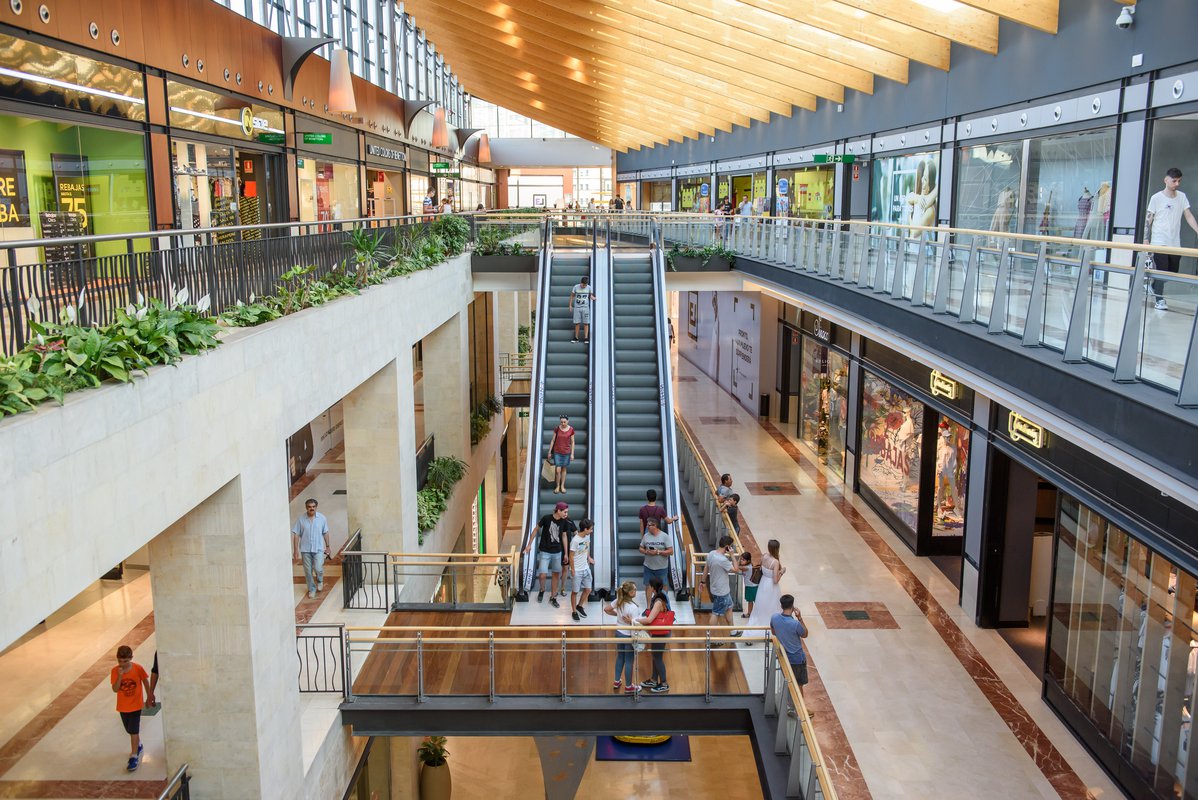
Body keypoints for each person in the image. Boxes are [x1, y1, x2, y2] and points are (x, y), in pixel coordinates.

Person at [1145, 167, 1198, 311]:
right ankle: (1159, 300)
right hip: (1159, 241)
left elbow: (1188, 215)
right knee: (1162, 272)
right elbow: (1148, 219)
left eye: (1179, 181)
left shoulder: (1182, 197)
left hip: (1175, 243)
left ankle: (1153, 285)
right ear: (1166, 180)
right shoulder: (1156, 198)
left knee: (1171, 273)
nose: (1177, 184)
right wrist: (1146, 239)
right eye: (1174, 181)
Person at [524, 501, 575, 605]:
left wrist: (565, 553)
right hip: (545, 551)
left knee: (556, 574)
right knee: (542, 574)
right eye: (565, 512)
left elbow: (564, 537)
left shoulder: (564, 522)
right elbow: (535, 530)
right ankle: (542, 589)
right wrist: (529, 545)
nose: (566, 514)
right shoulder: (546, 518)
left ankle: (553, 596)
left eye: (567, 512)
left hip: (557, 552)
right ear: (558, 511)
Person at [110, 645, 152, 772]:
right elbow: (115, 689)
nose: (122, 664)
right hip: (123, 706)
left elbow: (145, 681)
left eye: (125, 661)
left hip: (135, 705)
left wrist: (149, 696)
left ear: (131, 658)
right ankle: (138, 745)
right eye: (120, 661)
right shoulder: (115, 671)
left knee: (134, 731)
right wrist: (120, 676)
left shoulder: (138, 668)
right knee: (129, 730)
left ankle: (134, 756)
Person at [771, 594, 811, 711]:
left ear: (781, 605)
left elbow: (773, 631)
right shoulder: (795, 624)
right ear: (792, 606)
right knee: (799, 684)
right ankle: (800, 709)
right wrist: (800, 618)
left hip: (785, 657)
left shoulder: (774, 618)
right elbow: (805, 634)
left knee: (789, 681)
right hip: (797, 659)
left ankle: (790, 705)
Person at [702, 535, 744, 644]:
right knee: (716, 613)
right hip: (722, 592)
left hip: (716, 589)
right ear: (727, 547)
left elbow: (706, 568)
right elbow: (735, 569)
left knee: (729, 607)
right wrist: (732, 555)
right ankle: (710, 639)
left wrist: (702, 582)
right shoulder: (723, 559)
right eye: (730, 547)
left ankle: (733, 631)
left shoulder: (711, 554)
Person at [636, 576, 673, 693]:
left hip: (661, 632)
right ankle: (653, 679)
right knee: (655, 655)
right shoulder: (659, 596)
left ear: (652, 587)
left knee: (657, 657)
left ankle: (664, 683)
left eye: (649, 586)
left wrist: (634, 620)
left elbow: (649, 620)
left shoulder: (658, 601)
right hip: (659, 631)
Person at [603, 580, 641, 694]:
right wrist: (633, 622)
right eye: (634, 589)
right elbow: (636, 626)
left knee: (620, 657)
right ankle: (629, 686)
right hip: (628, 635)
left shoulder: (618, 601)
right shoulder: (633, 608)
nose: (636, 591)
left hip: (618, 632)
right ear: (629, 593)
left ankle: (616, 681)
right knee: (629, 661)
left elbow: (606, 609)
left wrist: (618, 615)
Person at [292, 498, 330, 599]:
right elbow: (296, 535)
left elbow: (325, 532)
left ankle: (320, 580)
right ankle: (312, 589)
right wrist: (295, 550)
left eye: (313, 507)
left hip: (318, 549)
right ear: (306, 508)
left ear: (316, 507)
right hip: (305, 550)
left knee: (318, 568)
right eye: (309, 507)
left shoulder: (322, 518)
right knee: (308, 571)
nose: (311, 509)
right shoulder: (301, 519)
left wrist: (328, 547)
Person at [746, 539, 786, 634]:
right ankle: (770, 623)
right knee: (771, 605)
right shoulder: (775, 562)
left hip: (763, 583)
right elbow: (775, 580)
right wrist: (782, 572)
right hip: (771, 586)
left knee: (762, 603)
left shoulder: (764, 556)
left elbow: (761, 568)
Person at [639, 517, 674, 607]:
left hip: (662, 568)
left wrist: (658, 552)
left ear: (655, 526)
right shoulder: (646, 536)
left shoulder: (664, 536)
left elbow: (671, 551)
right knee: (648, 586)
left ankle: (662, 605)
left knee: (663, 586)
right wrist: (647, 551)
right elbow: (640, 548)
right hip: (648, 567)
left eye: (649, 525)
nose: (647, 526)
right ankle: (648, 607)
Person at [569, 518, 595, 621]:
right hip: (577, 570)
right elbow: (571, 556)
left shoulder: (587, 537)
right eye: (591, 529)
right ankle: (574, 611)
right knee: (575, 592)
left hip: (586, 568)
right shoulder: (575, 541)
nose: (592, 531)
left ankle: (580, 606)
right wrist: (573, 569)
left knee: (588, 589)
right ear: (585, 529)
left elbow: (586, 548)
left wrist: (589, 558)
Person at [548, 415, 575, 494]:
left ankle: (562, 486)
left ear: (568, 421)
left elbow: (573, 442)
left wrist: (572, 454)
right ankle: (557, 486)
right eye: (561, 422)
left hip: (566, 452)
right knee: (558, 469)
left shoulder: (571, 429)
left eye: (564, 422)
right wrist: (549, 452)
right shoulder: (557, 429)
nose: (563, 423)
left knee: (563, 469)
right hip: (557, 452)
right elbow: (552, 440)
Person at [569, 275, 596, 344]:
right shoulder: (576, 287)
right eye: (583, 285)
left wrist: (593, 298)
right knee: (577, 323)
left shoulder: (589, 288)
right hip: (577, 307)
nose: (584, 286)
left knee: (586, 323)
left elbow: (590, 295)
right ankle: (576, 337)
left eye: (585, 285)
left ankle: (586, 337)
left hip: (585, 307)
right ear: (581, 283)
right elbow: (572, 296)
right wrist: (570, 305)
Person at [739, 551, 758, 619]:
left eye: (743, 560)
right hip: (749, 586)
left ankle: (754, 613)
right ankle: (750, 613)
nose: (741, 561)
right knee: (750, 601)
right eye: (741, 559)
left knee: (754, 601)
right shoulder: (747, 566)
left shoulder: (747, 568)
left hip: (752, 587)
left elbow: (737, 567)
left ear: (748, 561)